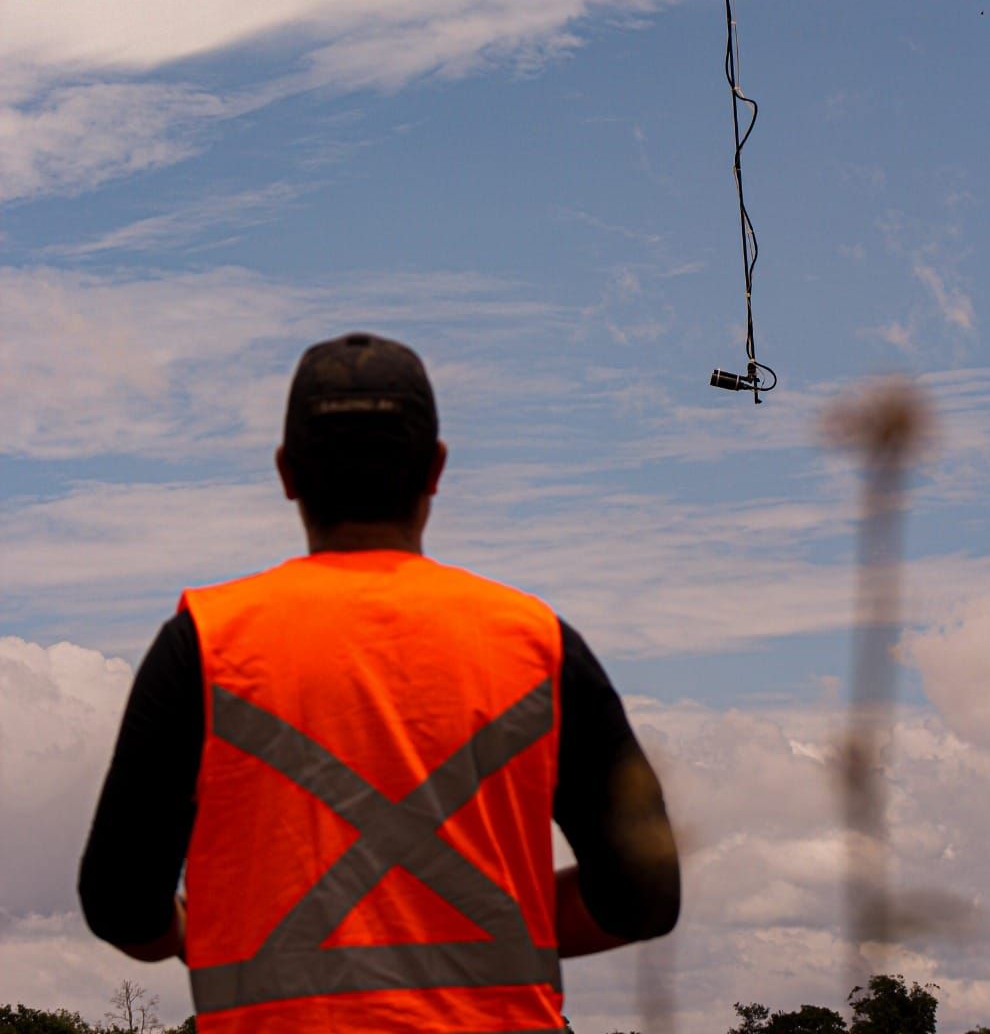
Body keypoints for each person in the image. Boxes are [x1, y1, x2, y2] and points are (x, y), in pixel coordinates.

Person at [80, 332, 680, 1031]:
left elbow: (119, 903)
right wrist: (473, 928)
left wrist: (205, 937)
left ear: (287, 473)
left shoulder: (205, 644)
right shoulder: (538, 643)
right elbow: (645, 895)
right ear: (435, 469)